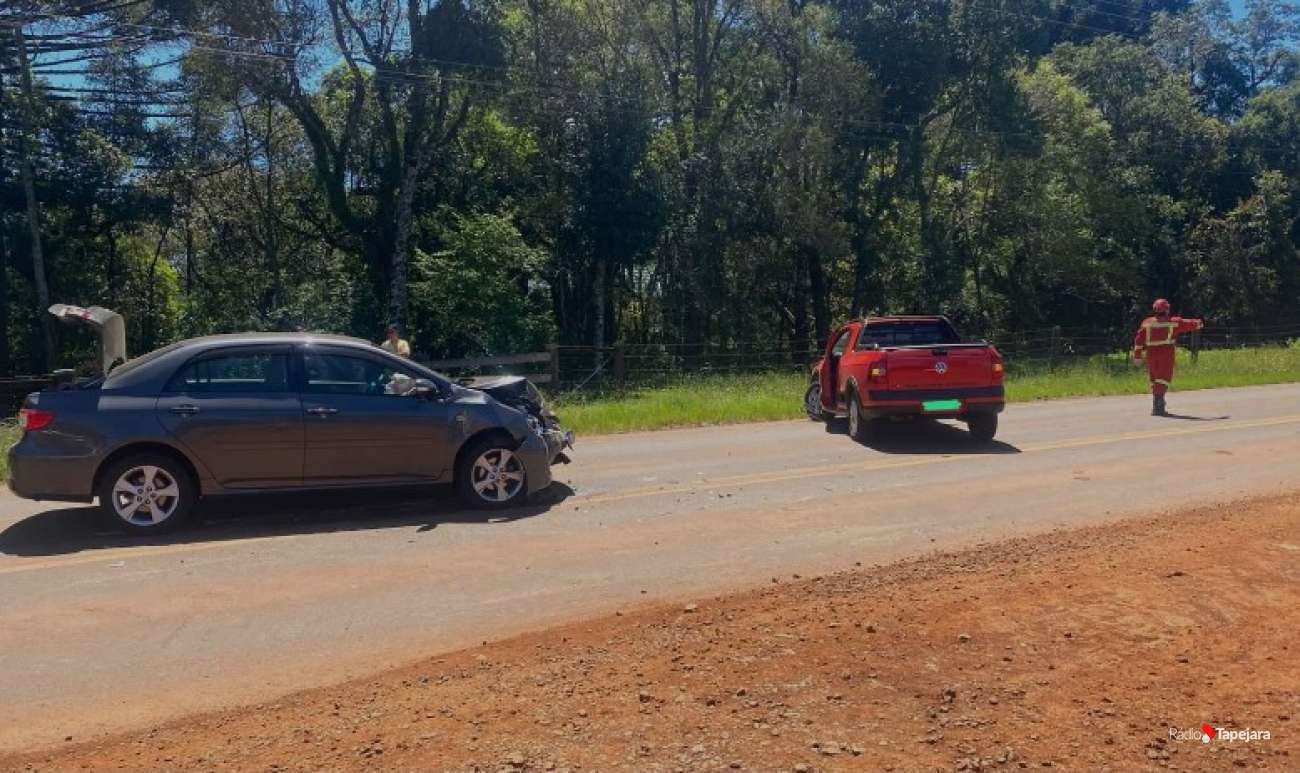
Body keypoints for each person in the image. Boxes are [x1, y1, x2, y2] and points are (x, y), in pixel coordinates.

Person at [1132, 298, 1202, 416]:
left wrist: (1137, 356)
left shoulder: (1147, 322)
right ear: (1167, 309)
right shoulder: (1174, 322)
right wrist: (1199, 323)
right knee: (1163, 379)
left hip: (1151, 355)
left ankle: (1158, 405)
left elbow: (1138, 340)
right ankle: (1158, 408)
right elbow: (1190, 323)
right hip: (1166, 355)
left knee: (1155, 379)